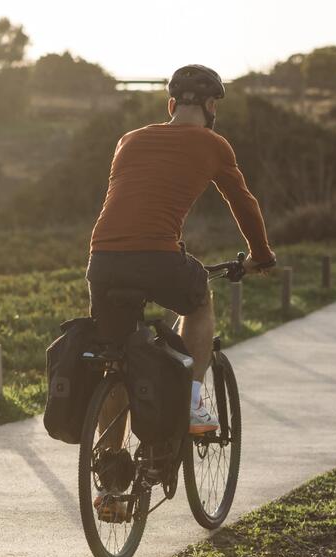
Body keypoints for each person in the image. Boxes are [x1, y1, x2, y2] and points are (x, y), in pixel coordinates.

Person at [86, 64, 276, 441]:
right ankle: (192, 405)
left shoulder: (129, 139)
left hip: (102, 259)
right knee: (200, 296)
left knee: (117, 363)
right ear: (211, 106)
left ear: (171, 104)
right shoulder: (214, 144)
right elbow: (244, 203)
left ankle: (109, 486)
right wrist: (261, 256)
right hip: (157, 256)